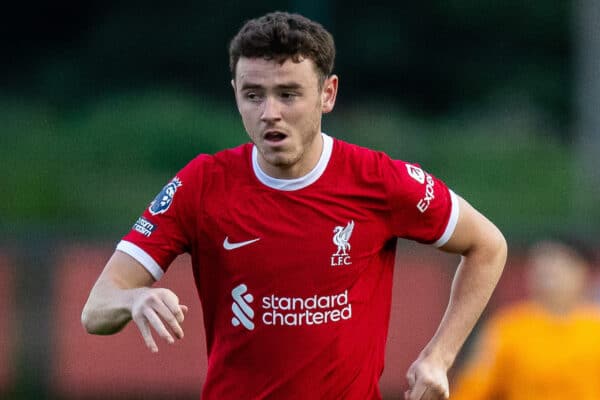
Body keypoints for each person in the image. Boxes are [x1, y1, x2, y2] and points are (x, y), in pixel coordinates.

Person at [81, 11, 507, 400]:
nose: (269, 113)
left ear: (328, 93)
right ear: (235, 94)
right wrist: (133, 299)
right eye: (253, 95)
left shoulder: (377, 180)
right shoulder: (201, 184)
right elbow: (97, 307)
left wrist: (439, 356)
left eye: (288, 95)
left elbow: (488, 245)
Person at [452, 240, 600, 400]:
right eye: (543, 266)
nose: (549, 273)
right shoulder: (507, 328)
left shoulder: (594, 328)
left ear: (582, 271)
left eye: (560, 266)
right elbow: (473, 387)